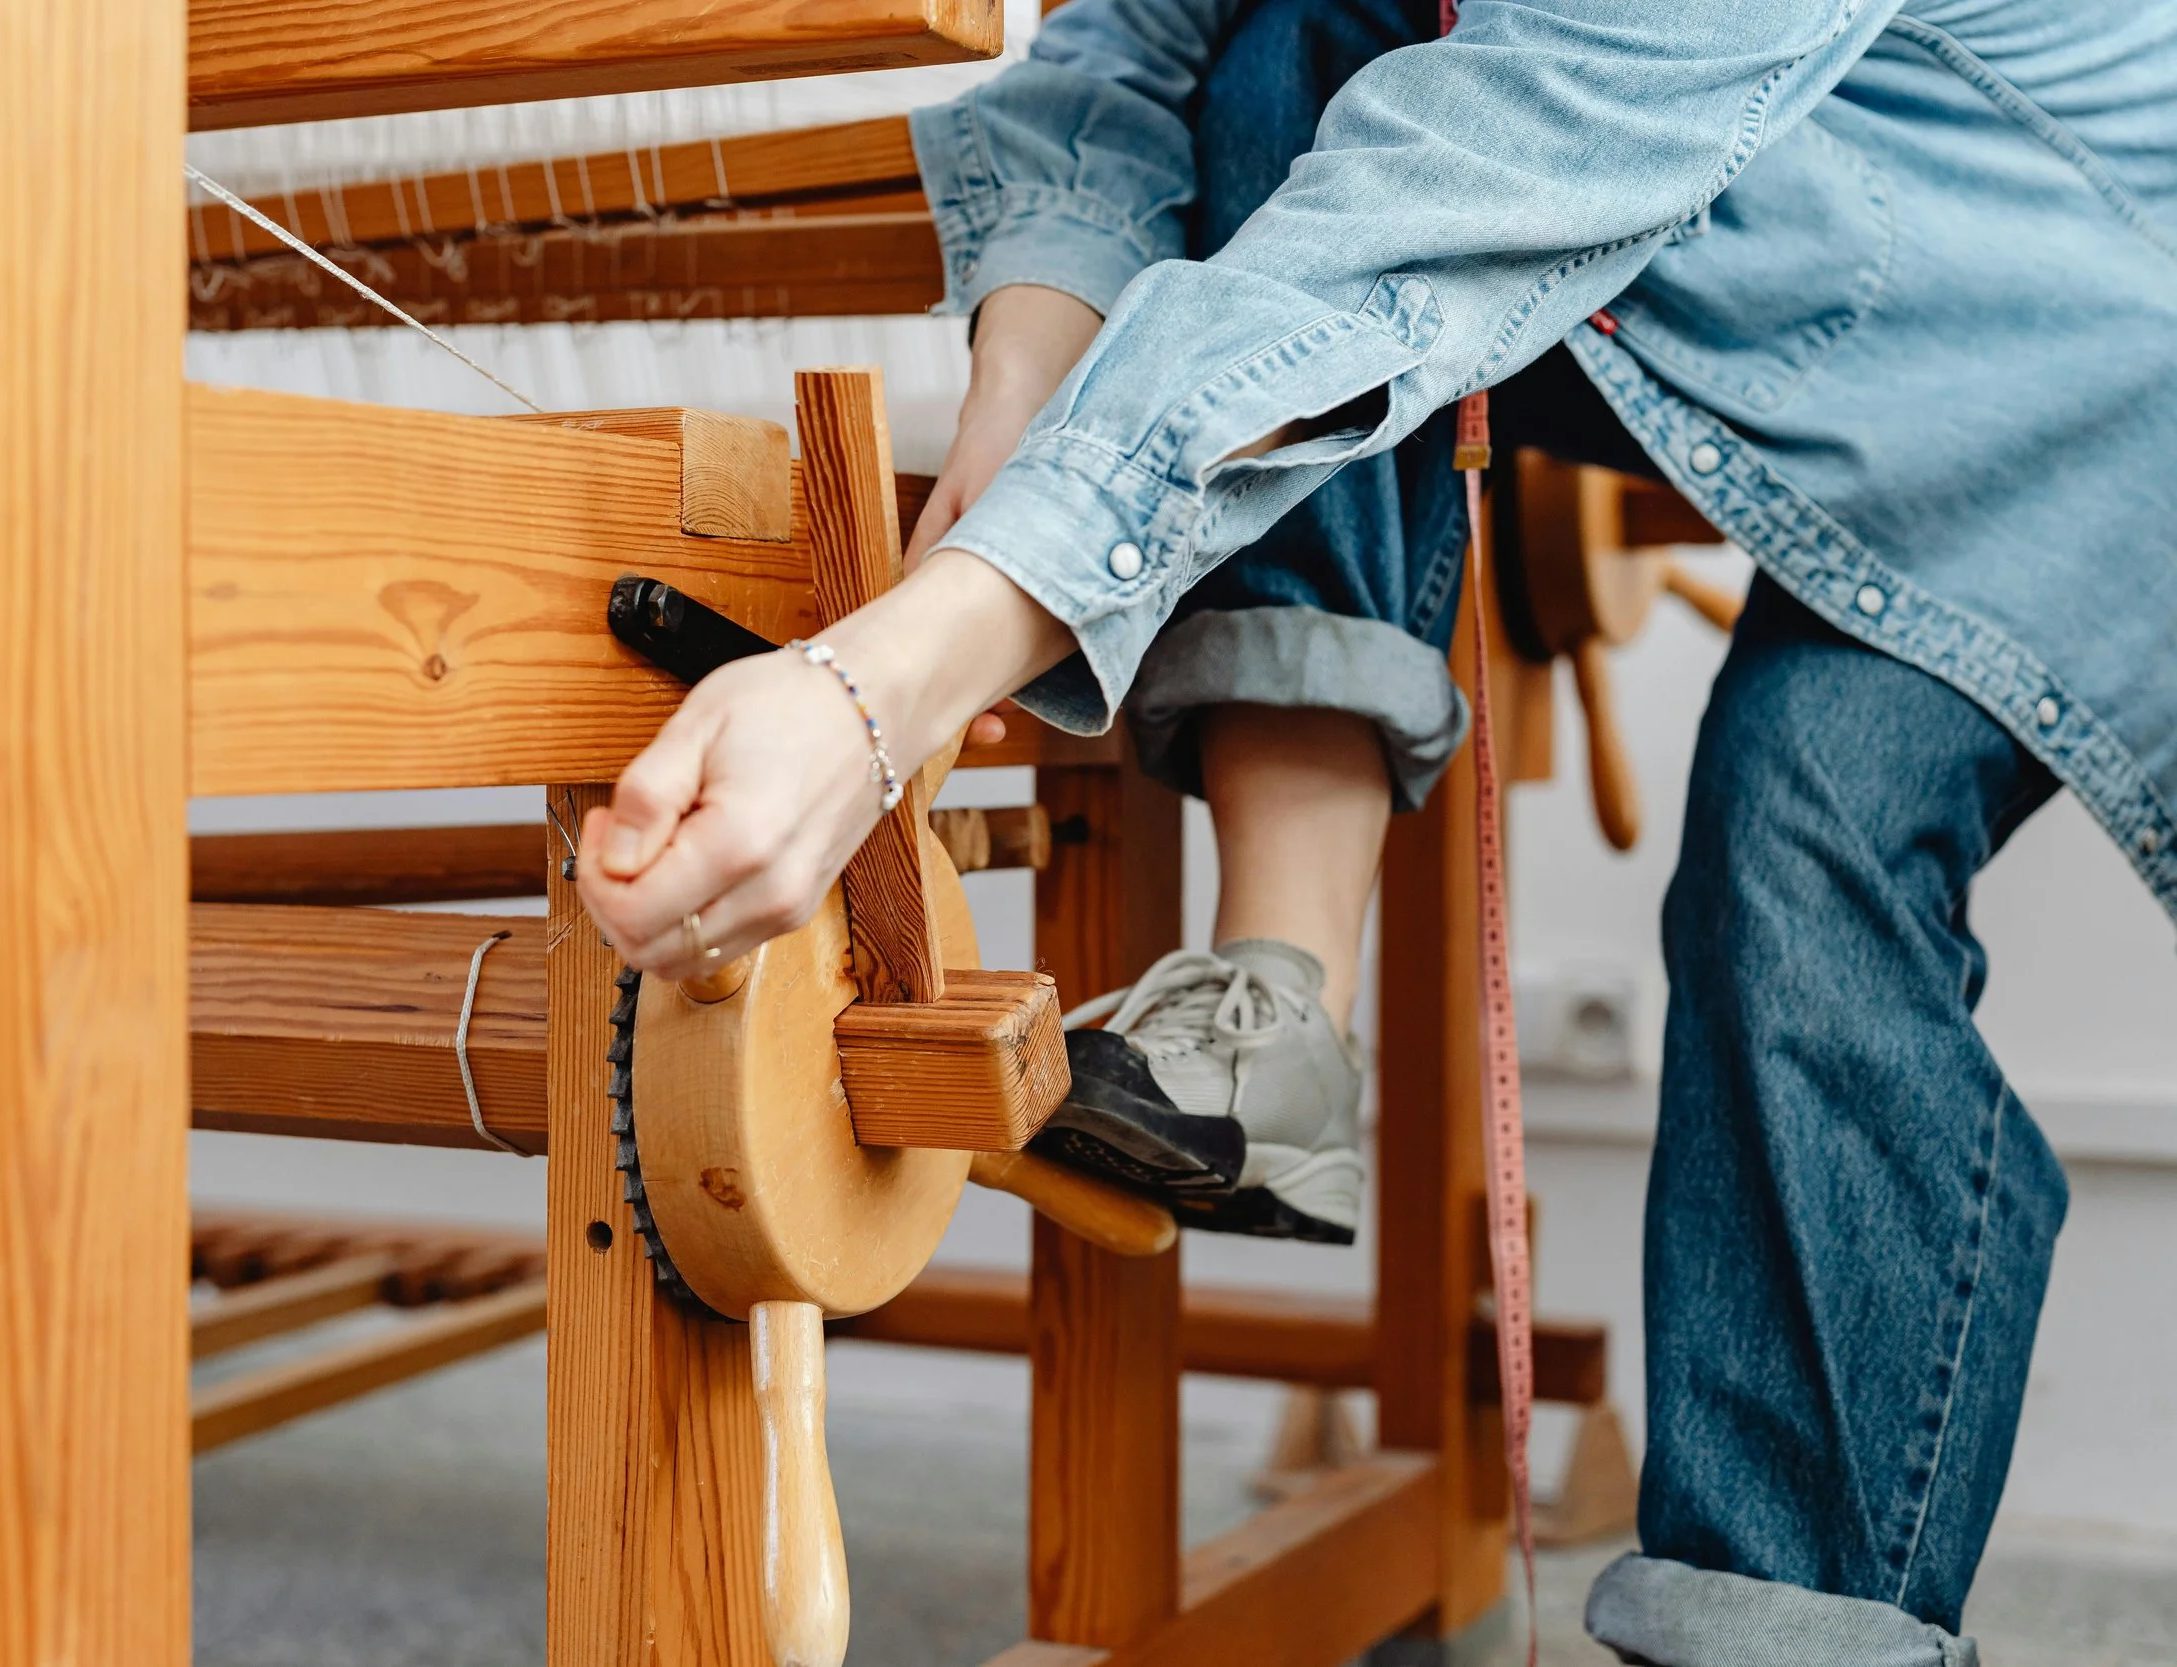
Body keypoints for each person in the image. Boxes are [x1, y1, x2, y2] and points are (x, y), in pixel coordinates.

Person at [577, 0, 2177, 1659]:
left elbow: (1431, 212)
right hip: (1776, 268)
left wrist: (890, 681)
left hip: (2079, 345)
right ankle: (1276, 994)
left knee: (1806, 833)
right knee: (1279, 38)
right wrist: (1024, 379)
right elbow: (1122, 49)